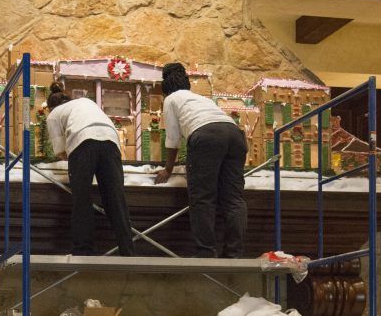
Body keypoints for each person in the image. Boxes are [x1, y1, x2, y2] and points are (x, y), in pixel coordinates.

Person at [154, 61, 247, 258]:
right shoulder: (201, 99)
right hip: (234, 134)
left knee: (203, 198)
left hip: (206, 136)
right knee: (234, 199)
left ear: (165, 85)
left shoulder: (171, 99)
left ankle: (206, 253)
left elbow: (172, 139)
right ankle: (233, 254)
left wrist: (168, 169)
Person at [45, 82, 136, 256]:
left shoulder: (53, 115)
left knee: (82, 198)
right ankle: (128, 250)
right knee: (116, 199)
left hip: (82, 142)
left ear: (50, 107)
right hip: (111, 141)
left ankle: (83, 250)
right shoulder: (86, 102)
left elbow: (61, 151)